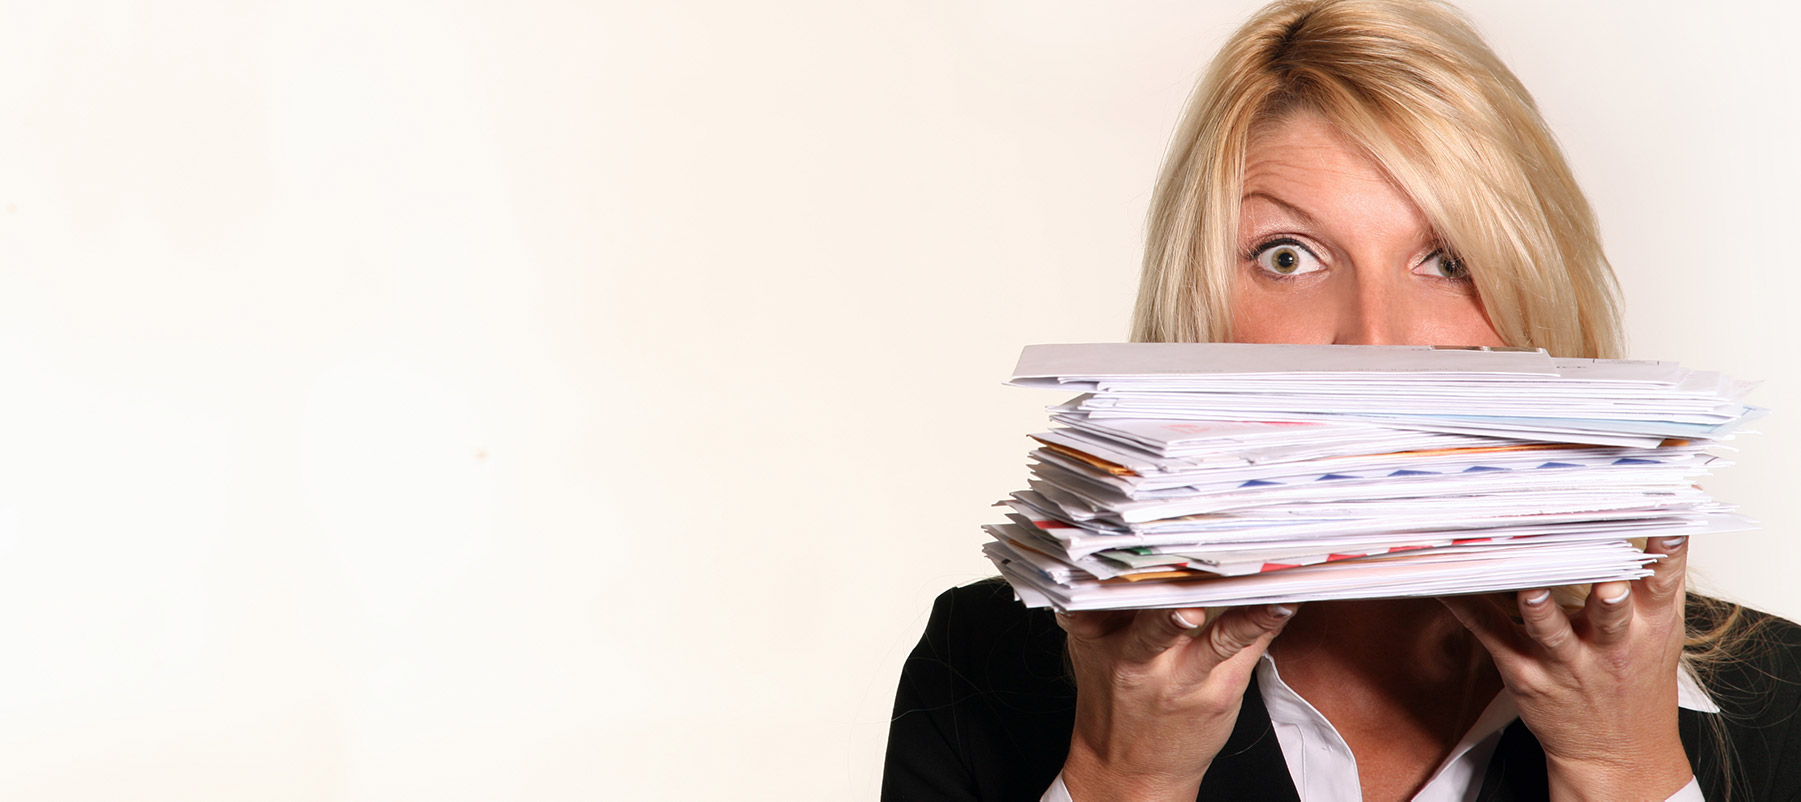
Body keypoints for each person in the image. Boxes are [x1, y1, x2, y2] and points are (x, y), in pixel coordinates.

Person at [881, 1, 1801, 800]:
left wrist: (1620, 766)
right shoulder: (984, 670)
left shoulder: (1781, 698)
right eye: (1288, 256)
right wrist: (1126, 777)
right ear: (1198, 306)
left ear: (1534, 299)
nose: (1373, 337)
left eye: (1446, 259)